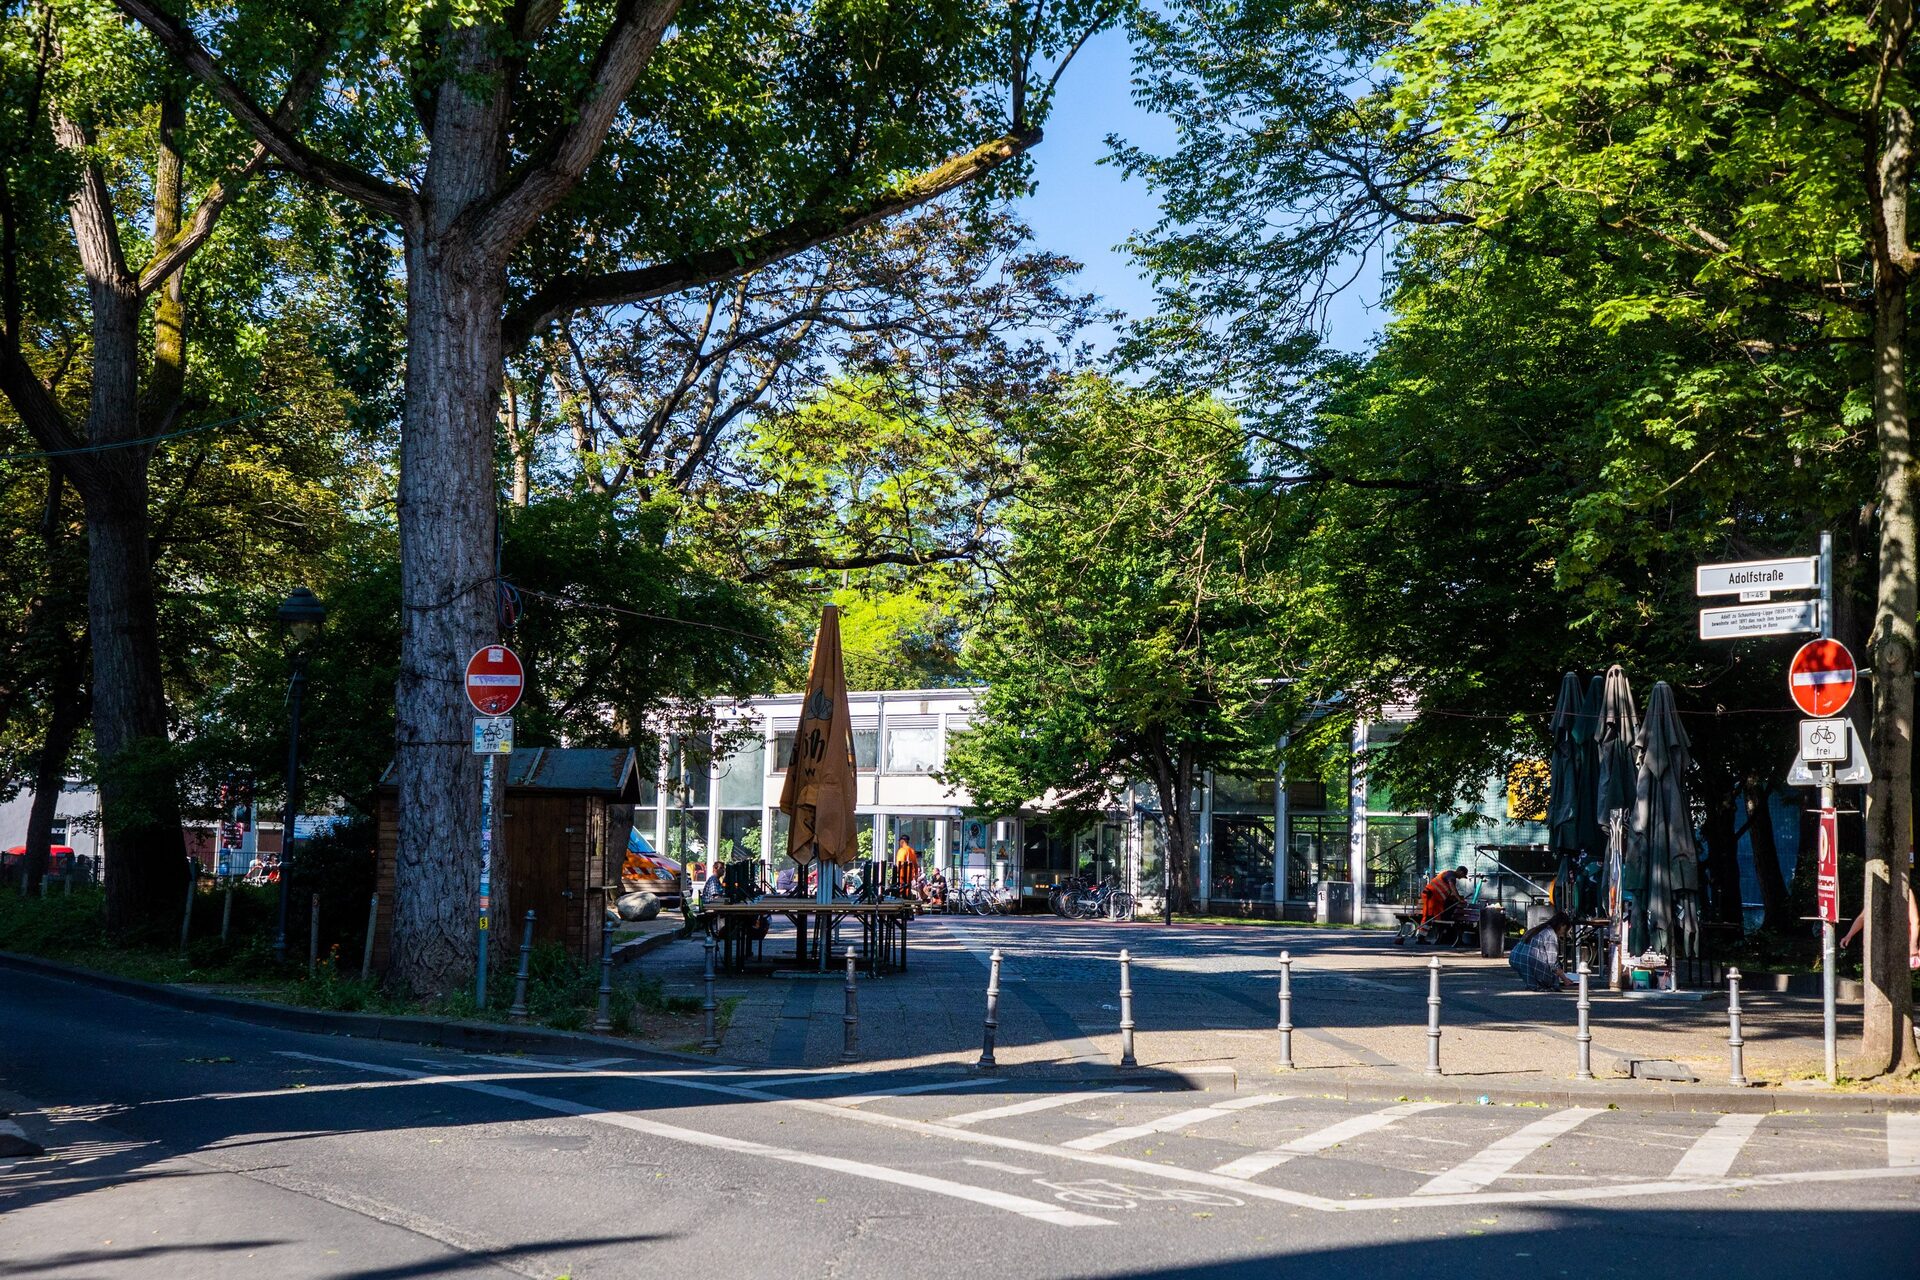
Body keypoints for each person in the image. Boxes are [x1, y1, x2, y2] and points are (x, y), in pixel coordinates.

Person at [1509, 912, 1572, 990]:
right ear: (1562, 925)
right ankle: (1538, 984)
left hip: (1516, 957)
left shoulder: (1538, 928)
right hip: (1528, 960)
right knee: (1552, 981)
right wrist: (1564, 979)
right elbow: (1553, 963)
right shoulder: (1551, 934)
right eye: (1565, 929)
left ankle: (1534, 984)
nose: (1564, 933)